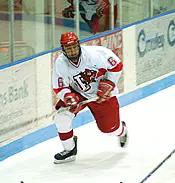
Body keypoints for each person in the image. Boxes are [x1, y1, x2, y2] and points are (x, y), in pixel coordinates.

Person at [52, 31, 128, 164]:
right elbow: (59, 86)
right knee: (61, 118)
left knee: (110, 130)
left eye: (74, 47)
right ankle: (70, 150)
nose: (73, 51)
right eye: (68, 49)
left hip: (103, 96)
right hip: (79, 94)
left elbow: (117, 65)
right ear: (63, 49)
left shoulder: (96, 54)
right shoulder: (61, 63)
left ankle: (122, 131)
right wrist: (68, 96)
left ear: (79, 45)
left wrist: (109, 83)